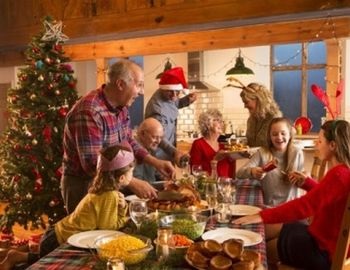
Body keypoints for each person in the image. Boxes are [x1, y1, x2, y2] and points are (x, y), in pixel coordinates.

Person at [61, 59, 176, 213]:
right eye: (139, 84)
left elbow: (128, 141)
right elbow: (92, 165)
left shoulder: (121, 107)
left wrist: (155, 162)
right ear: (121, 84)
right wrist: (132, 182)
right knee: (88, 234)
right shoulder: (89, 111)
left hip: (110, 183)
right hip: (84, 186)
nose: (141, 91)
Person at [233, 120, 350, 270]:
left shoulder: (338, 175)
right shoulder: (343, 172)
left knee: (261, 250)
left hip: (322, 251)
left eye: (320, 141)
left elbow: (306, 205)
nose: (316, 144)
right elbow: (325, 196)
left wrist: (263, 215)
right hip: (320, 239)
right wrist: (307, 183)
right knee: (261, 232)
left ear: (332, 145)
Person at [0, 143, 135, 269]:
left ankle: (15, 255)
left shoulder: (103, 190)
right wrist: (125, 214)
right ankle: (15, 257)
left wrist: (121, 207)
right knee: (47, 264)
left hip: (57, 234)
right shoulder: (109, 195)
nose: (132, 175)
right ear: (121, 178)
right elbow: (107, 230)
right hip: (60, 240)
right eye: (131, 172)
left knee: (44, 259)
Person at [236, 117, 305, 206]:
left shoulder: (297, 153)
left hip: (292, 208)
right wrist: (252, 171)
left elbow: (303, 179)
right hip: (270, 208)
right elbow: (239, 173)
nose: (279, 137)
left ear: (290, 135)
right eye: (274, 134)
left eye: (283, 133)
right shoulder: (262, 153)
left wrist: (301, 178)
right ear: (270, 137)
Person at [145, 66, 197, 161]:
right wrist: (175, 152)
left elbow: (174, 103)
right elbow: (158, 138)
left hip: (168, 154)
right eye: (170, 91)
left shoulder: (167, 96)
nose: (174, 95)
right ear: (163, 89)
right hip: (158, 156)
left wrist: (187, 100)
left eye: (177, 92)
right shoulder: (157, 109)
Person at [228, 77, 282, 147]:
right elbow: (250, 144)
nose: (245, 106)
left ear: (259, 100)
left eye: (246, 102)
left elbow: (279, 148)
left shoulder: (275, 119)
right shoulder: (251, 120)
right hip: (254, 158)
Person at [133, 117, 187, 182]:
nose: (158, 141)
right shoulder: (132, 151)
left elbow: (154, 175)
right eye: (155, 137)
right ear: (142, 133)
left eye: (160, 137)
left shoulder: (150, 147)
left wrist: (164, 177)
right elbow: (139, 183)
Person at [189, 108, 235, 178]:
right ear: (207, 124)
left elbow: (231, 170)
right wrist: (215, 159)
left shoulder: (224, 144)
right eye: (217, 120)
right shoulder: (198, 144)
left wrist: (233, 157)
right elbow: (195, 171)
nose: (221, 123)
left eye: (221, 121)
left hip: (225, 185)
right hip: (208, 186)